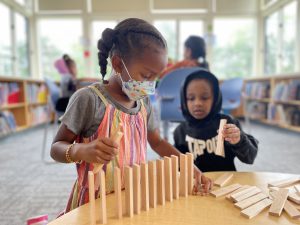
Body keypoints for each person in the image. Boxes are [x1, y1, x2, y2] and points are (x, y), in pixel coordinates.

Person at [50, 18, 213, 215]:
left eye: (156, 77)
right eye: (145, 76)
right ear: (118, 63)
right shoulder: (89, 99)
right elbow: (56, 148)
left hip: (132, 197)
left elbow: (158, 142)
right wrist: (80, 151)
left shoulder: (143, 102)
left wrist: (189, 168)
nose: (150, 84)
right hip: (93, 202)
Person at [173, 69, 258, 172]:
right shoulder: (180, 131)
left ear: (215, 98)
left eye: (204, 97)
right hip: (197, 185)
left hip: (226, 182)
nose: (197, 103)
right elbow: (179, 167)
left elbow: (250, 158)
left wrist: (238, 140)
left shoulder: (227, 123)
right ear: (184, 100)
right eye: (191, 98)